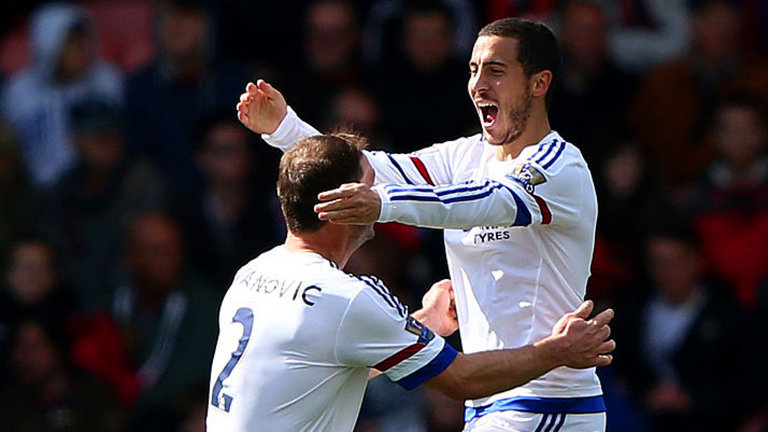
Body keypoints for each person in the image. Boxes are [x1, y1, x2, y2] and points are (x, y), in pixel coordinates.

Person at [238, 17, 606, 431]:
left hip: (548, 401)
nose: (479, 84)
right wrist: (286, 129)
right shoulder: (465, 157)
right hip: (493, 400)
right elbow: (369, 168)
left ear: (539, 84)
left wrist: (381, 203)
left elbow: (485, 202)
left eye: (496, 71)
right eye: (473, 69)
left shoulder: (559, 166)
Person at [206, 133, 615, 432]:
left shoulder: (252, 274)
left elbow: (319, 368)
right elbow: (461, 380)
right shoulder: (349, 298)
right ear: (343, 204)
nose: (380, 193)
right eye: (372, 185)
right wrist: (557, 351)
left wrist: (428, 323)